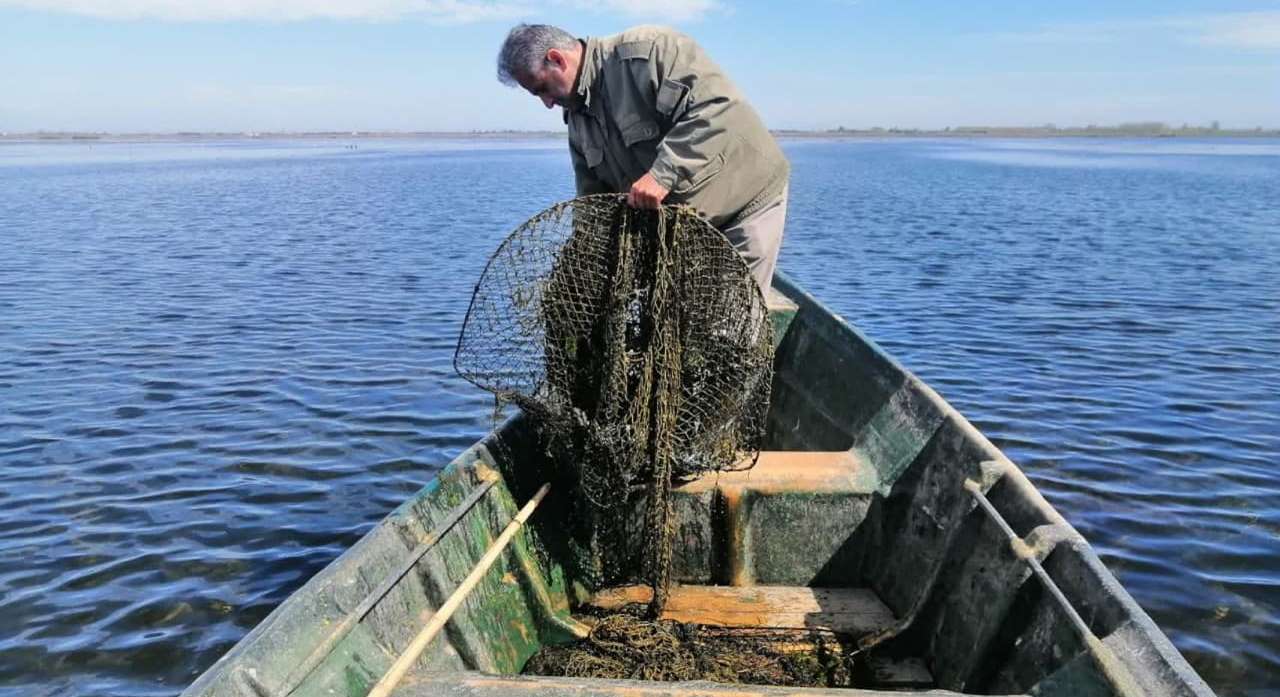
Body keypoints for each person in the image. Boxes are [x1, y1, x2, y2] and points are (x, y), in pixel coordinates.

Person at [496, 23, 790, 295]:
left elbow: (717, 108)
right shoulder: (577, 119)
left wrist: (662, 174)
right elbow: (592, 202)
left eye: (542, 89)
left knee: (729, 325)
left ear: (557, 59)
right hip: (685, 226)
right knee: (680, 319)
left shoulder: (649, 53)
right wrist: (585, 261)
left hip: (744, 203)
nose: (546, 103)